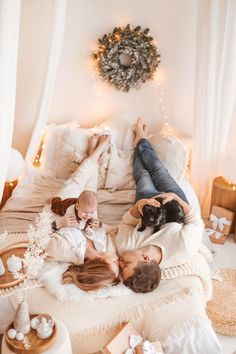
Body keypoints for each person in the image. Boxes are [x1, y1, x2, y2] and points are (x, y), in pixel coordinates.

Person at [116, 118, 204, 293]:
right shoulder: (182, 249)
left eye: (121, 267)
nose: (119, 262)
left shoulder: (124, 247)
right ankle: (141, 137)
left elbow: (126, 222)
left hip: (147, 205)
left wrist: (139, 205)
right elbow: (196, 221)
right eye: (126, 264)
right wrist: (176, 199)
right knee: (157, 169)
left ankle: (138, 142)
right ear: (146, 258)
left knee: (141, 174)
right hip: (174, 204)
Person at [45, 134, 120, 291]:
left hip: (64, 205)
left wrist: (61, 223)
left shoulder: (65, 251)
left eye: (114, 263)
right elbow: (114, 230)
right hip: (90, 209)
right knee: (92, 184)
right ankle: (93, 153)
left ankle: (96, 151)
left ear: (100, 261)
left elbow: (38, 238)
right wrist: (101, 225)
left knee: (78, 178)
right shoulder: (107, 249)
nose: (117, 259)